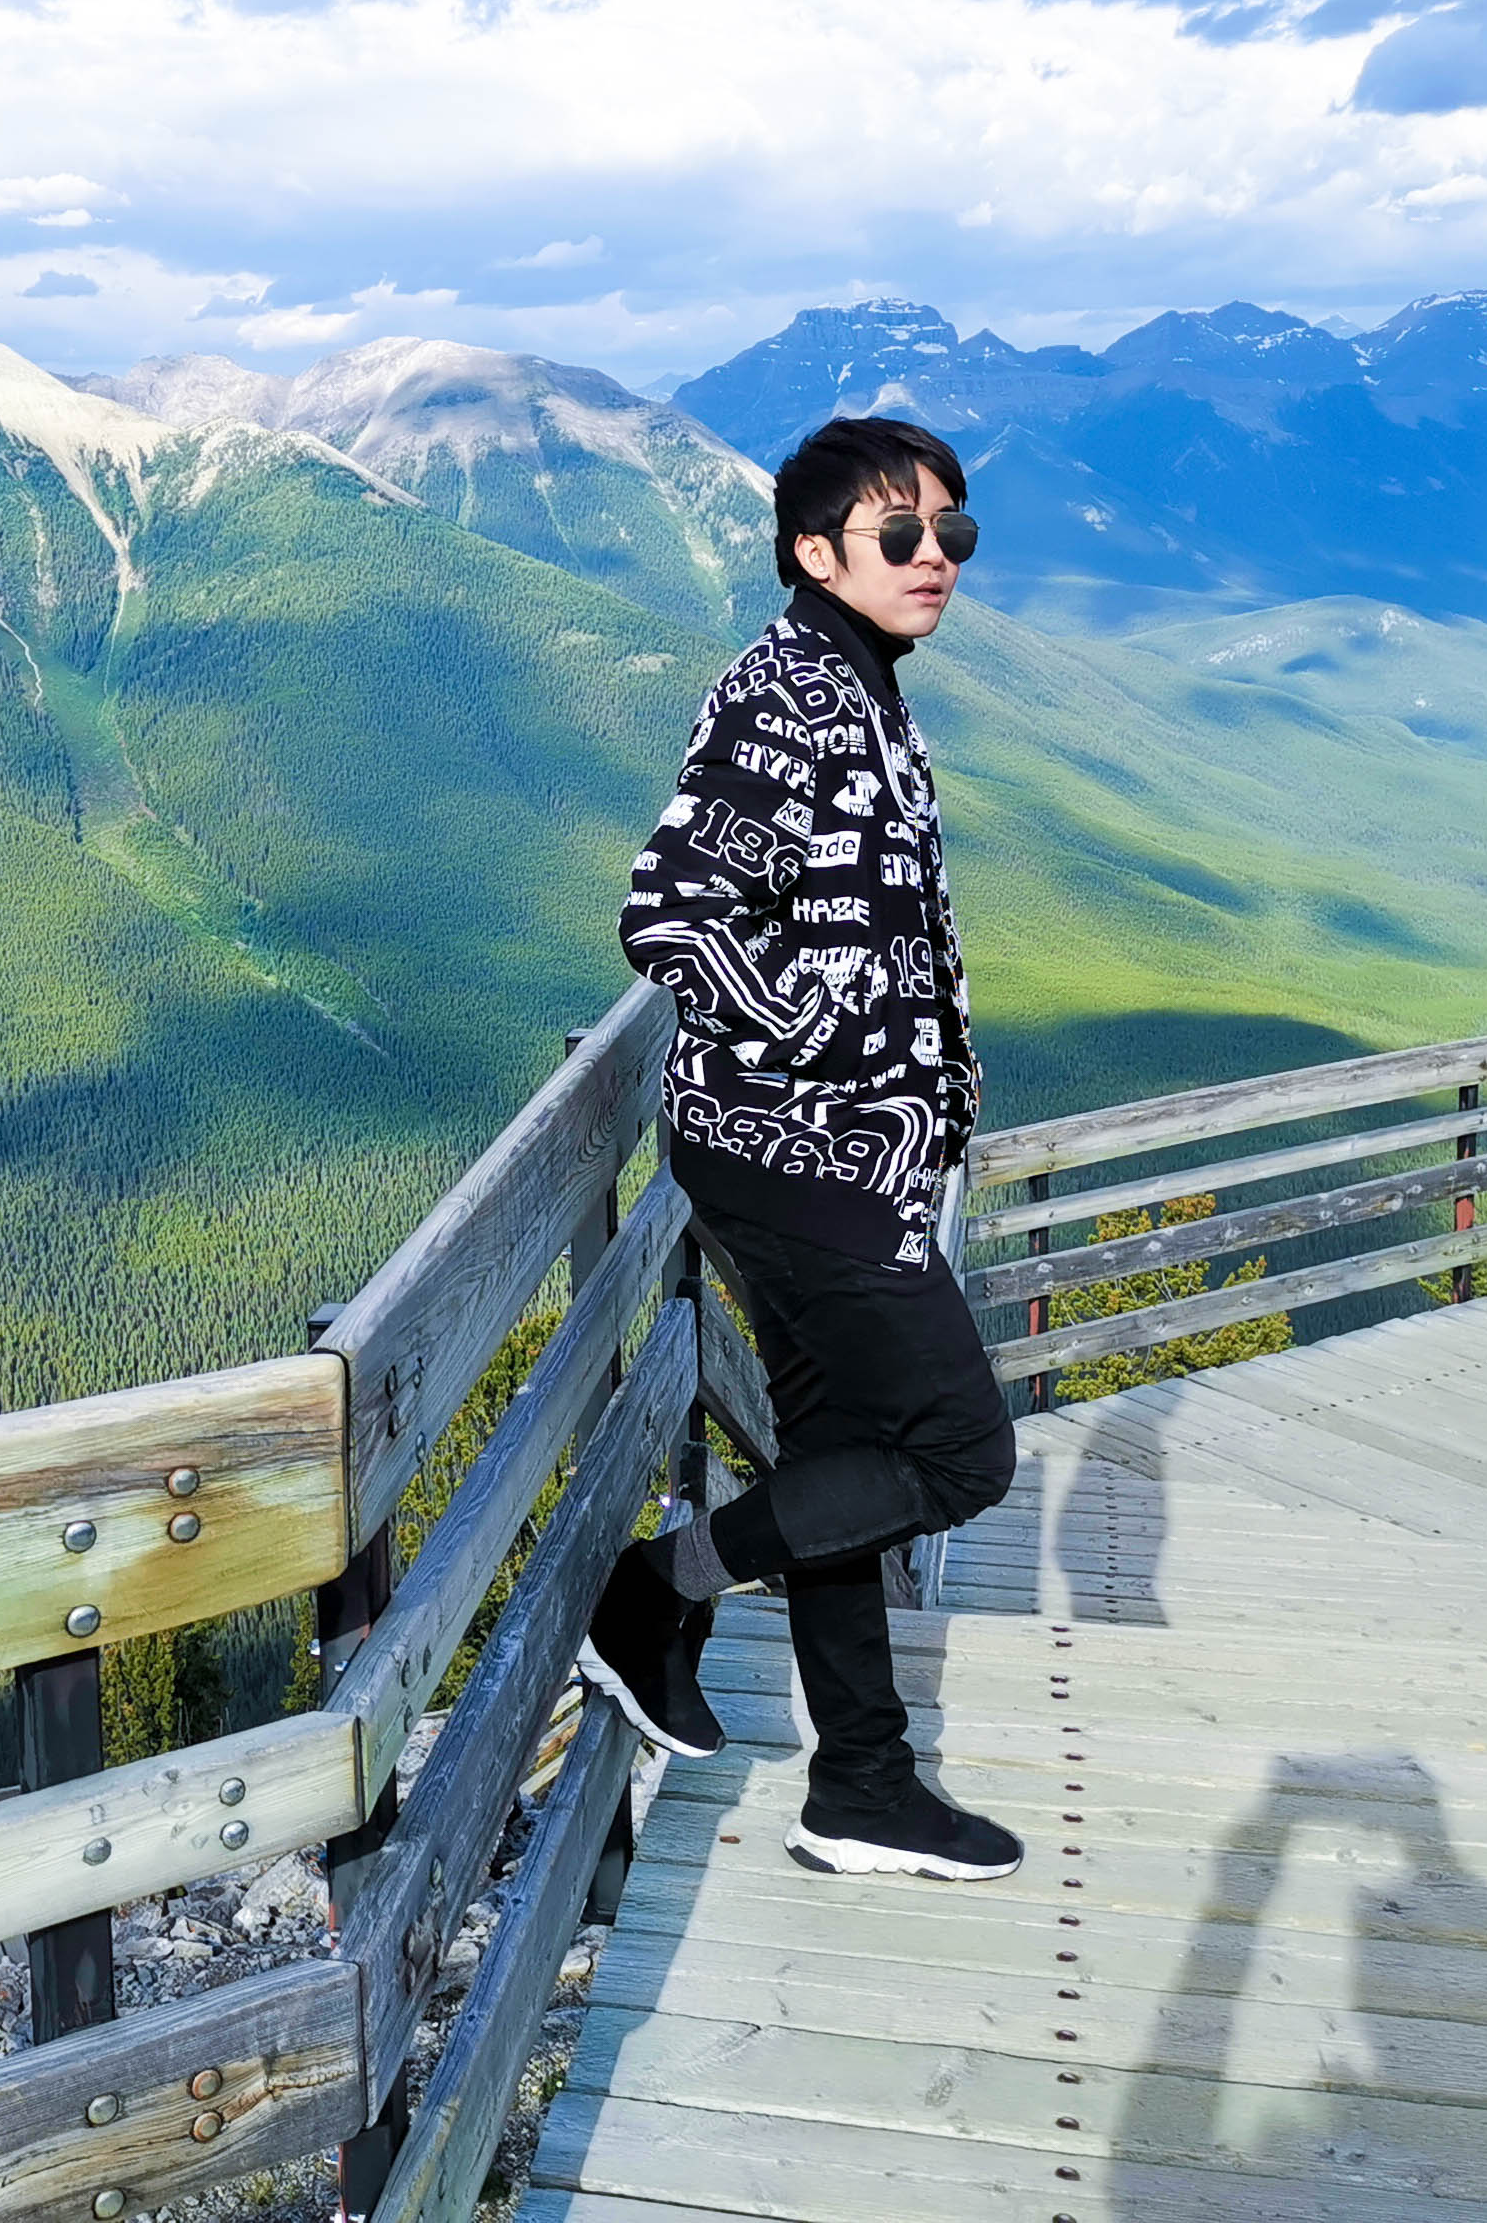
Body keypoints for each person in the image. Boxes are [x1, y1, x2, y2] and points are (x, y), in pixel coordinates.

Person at [580, 414, 1023, 1881]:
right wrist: (815, 1044)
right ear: (816, 551)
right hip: (800, 1161)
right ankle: (653, 1592)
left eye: (952, 534)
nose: (936, 561)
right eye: (903, 536)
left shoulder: (860, 686)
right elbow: (669, 911)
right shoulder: (789, 696)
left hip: (835, 1157)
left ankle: (863, 1785)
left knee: (842, 1454)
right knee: (958, 1452)